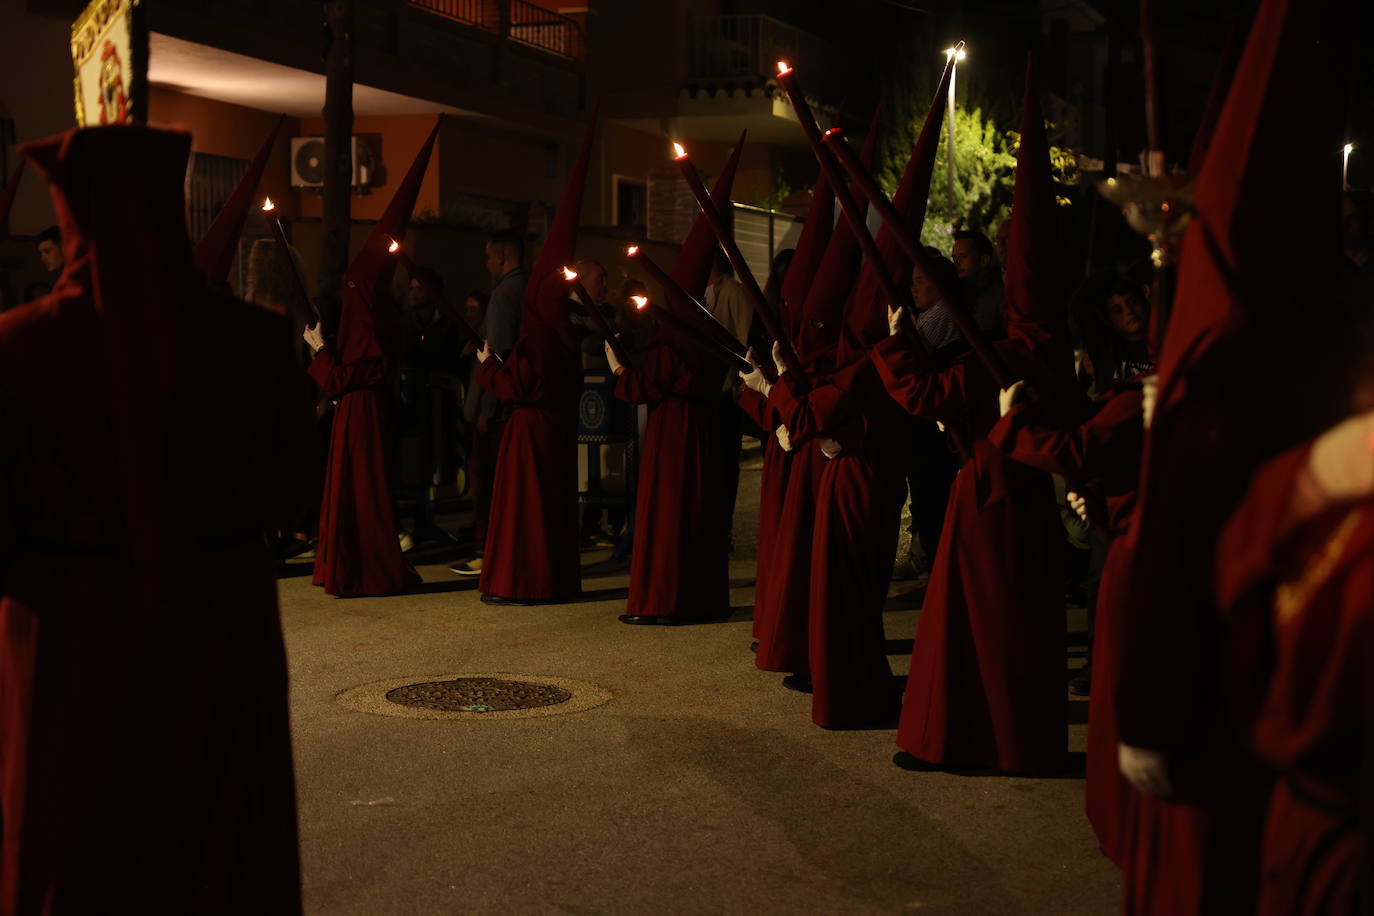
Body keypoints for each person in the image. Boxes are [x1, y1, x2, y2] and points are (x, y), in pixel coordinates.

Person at [0, 124, 316, 913]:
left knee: (78, 841)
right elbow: (295, 493)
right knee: (212, 838)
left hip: (71, 635)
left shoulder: (18, 346)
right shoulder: (255, 339)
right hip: (220, 629)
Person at [611, 140, 741, 625]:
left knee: (669, 514)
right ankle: (699, 596)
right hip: (699, 429)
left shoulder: (682, 329)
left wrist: (623, 374)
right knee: (695, 513)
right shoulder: (702, 323)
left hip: (675, 430)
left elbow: (656, 381)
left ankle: (666, 599)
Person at [306, 121, 439, 598]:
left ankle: (366, 569)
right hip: (363, 413)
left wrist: (319, 350)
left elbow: (346, 377)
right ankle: (352, 566)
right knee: (357, 491)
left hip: (361, 413)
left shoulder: (369, 314)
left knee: (362, 493)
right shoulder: (380, 310)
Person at [470, 115, 597, 605]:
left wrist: (488, 368)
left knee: (528, 508)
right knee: (545, 506)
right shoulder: (556, 331)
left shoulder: (543, 334)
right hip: (548, 429)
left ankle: (527, 580)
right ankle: (544, 577)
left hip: (531, 429)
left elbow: (521, 383)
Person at [450, 229, 526, 577]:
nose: (487, 264)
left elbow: (497, 355)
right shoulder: (528, 289)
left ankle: (486, 550)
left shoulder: (504, 295)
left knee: (488, 484)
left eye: (489, 257)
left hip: (500, 408)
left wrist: (487, 409)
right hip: (518, 403)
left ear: (502, 257)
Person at [706, 248, 752, 548]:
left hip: (725, 386)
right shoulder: (702, 291)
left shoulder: (732, 292)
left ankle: (723, 527)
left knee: (725, 460)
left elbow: (744, 335)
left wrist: (740, 379)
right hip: (706, 388)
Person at [950, 229, 1005, 333]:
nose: (956, 263)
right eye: (954, 258)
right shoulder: (956, 294)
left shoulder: (999, 297)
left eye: (963, 257)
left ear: (984, 260)